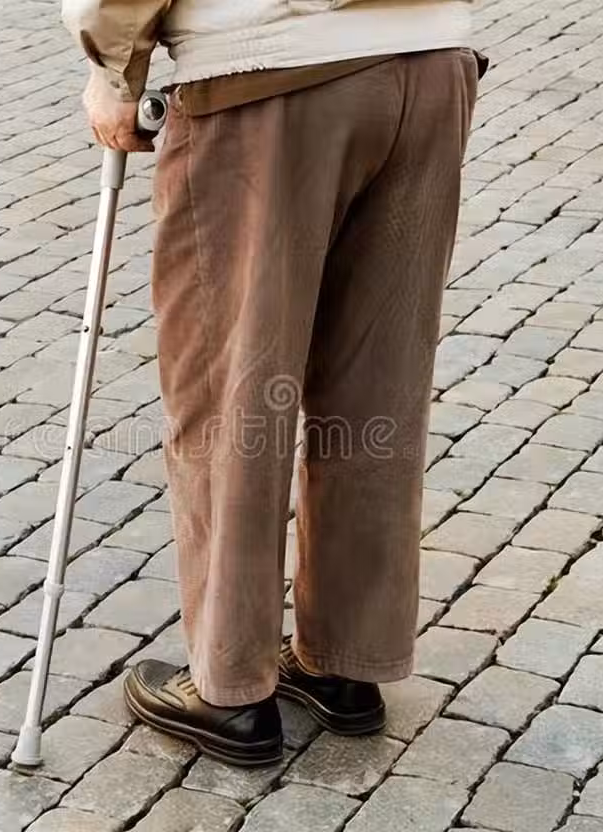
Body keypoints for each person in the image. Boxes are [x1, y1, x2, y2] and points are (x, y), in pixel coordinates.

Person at [63, 0, 485, 766]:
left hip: (268, 67)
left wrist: (114, 69)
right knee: (379, 383)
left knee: (232, 389)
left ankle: (228, 689)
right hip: (431, 62)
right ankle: (344, 662)